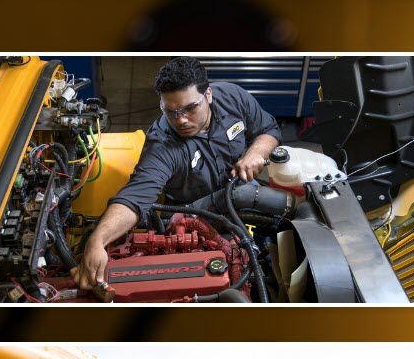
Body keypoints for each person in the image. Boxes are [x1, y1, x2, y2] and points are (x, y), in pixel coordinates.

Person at [74, 56, 282, 290]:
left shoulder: (233, 97)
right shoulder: (162, 144)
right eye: (170, 111)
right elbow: (134, 198)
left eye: (190, 108)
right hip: (196, 219)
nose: (180, 120)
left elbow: (268, 129)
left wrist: (256, 152)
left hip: (244, 199)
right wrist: (97, 240)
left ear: (209, 95)